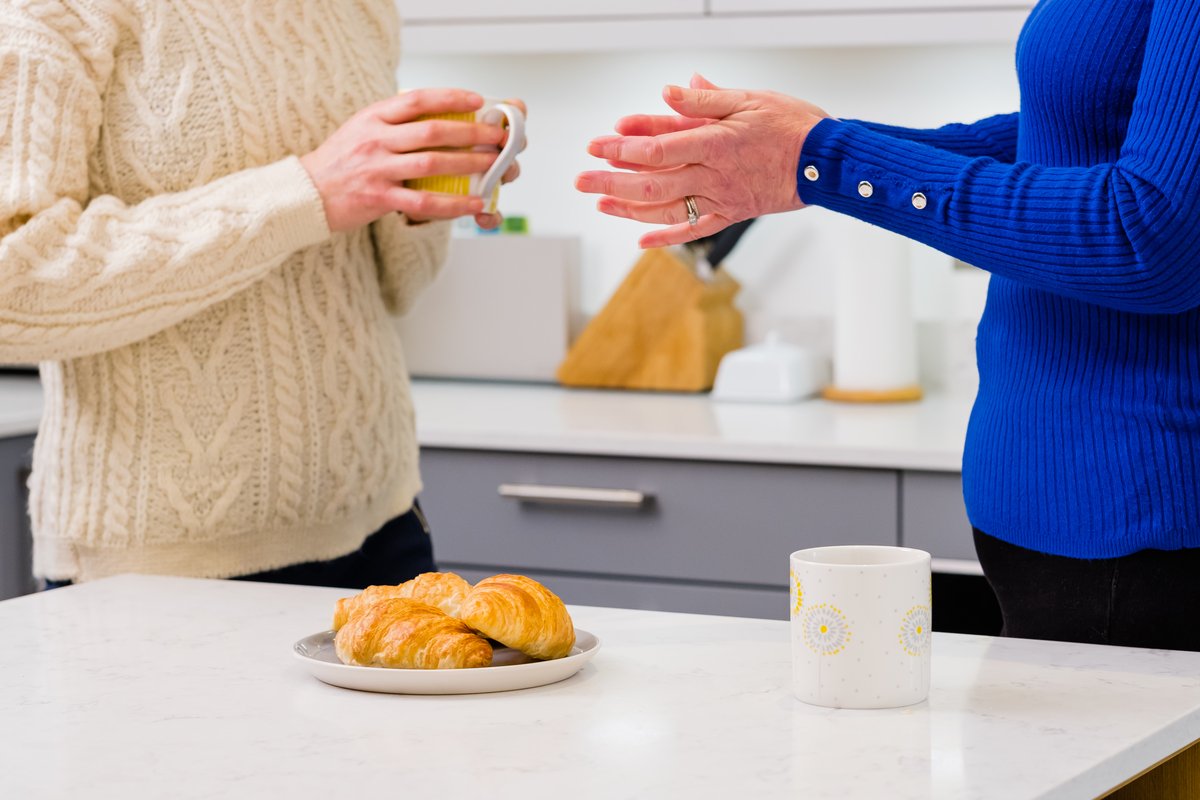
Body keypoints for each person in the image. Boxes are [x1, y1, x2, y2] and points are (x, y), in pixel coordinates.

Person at [577, 0, 1200, 651]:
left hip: (1142, 528)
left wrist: (827, 158)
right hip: (1062, 522)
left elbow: (1149, 238)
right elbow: (1071, 130)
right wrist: (798, 155)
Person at [0, 1, 521, 589]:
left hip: (384, 523)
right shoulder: (59, 10)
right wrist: (308, 193)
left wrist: (424, 193)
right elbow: (12, 288)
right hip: (161, 568)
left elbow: (395, 290)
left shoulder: (362, 9)